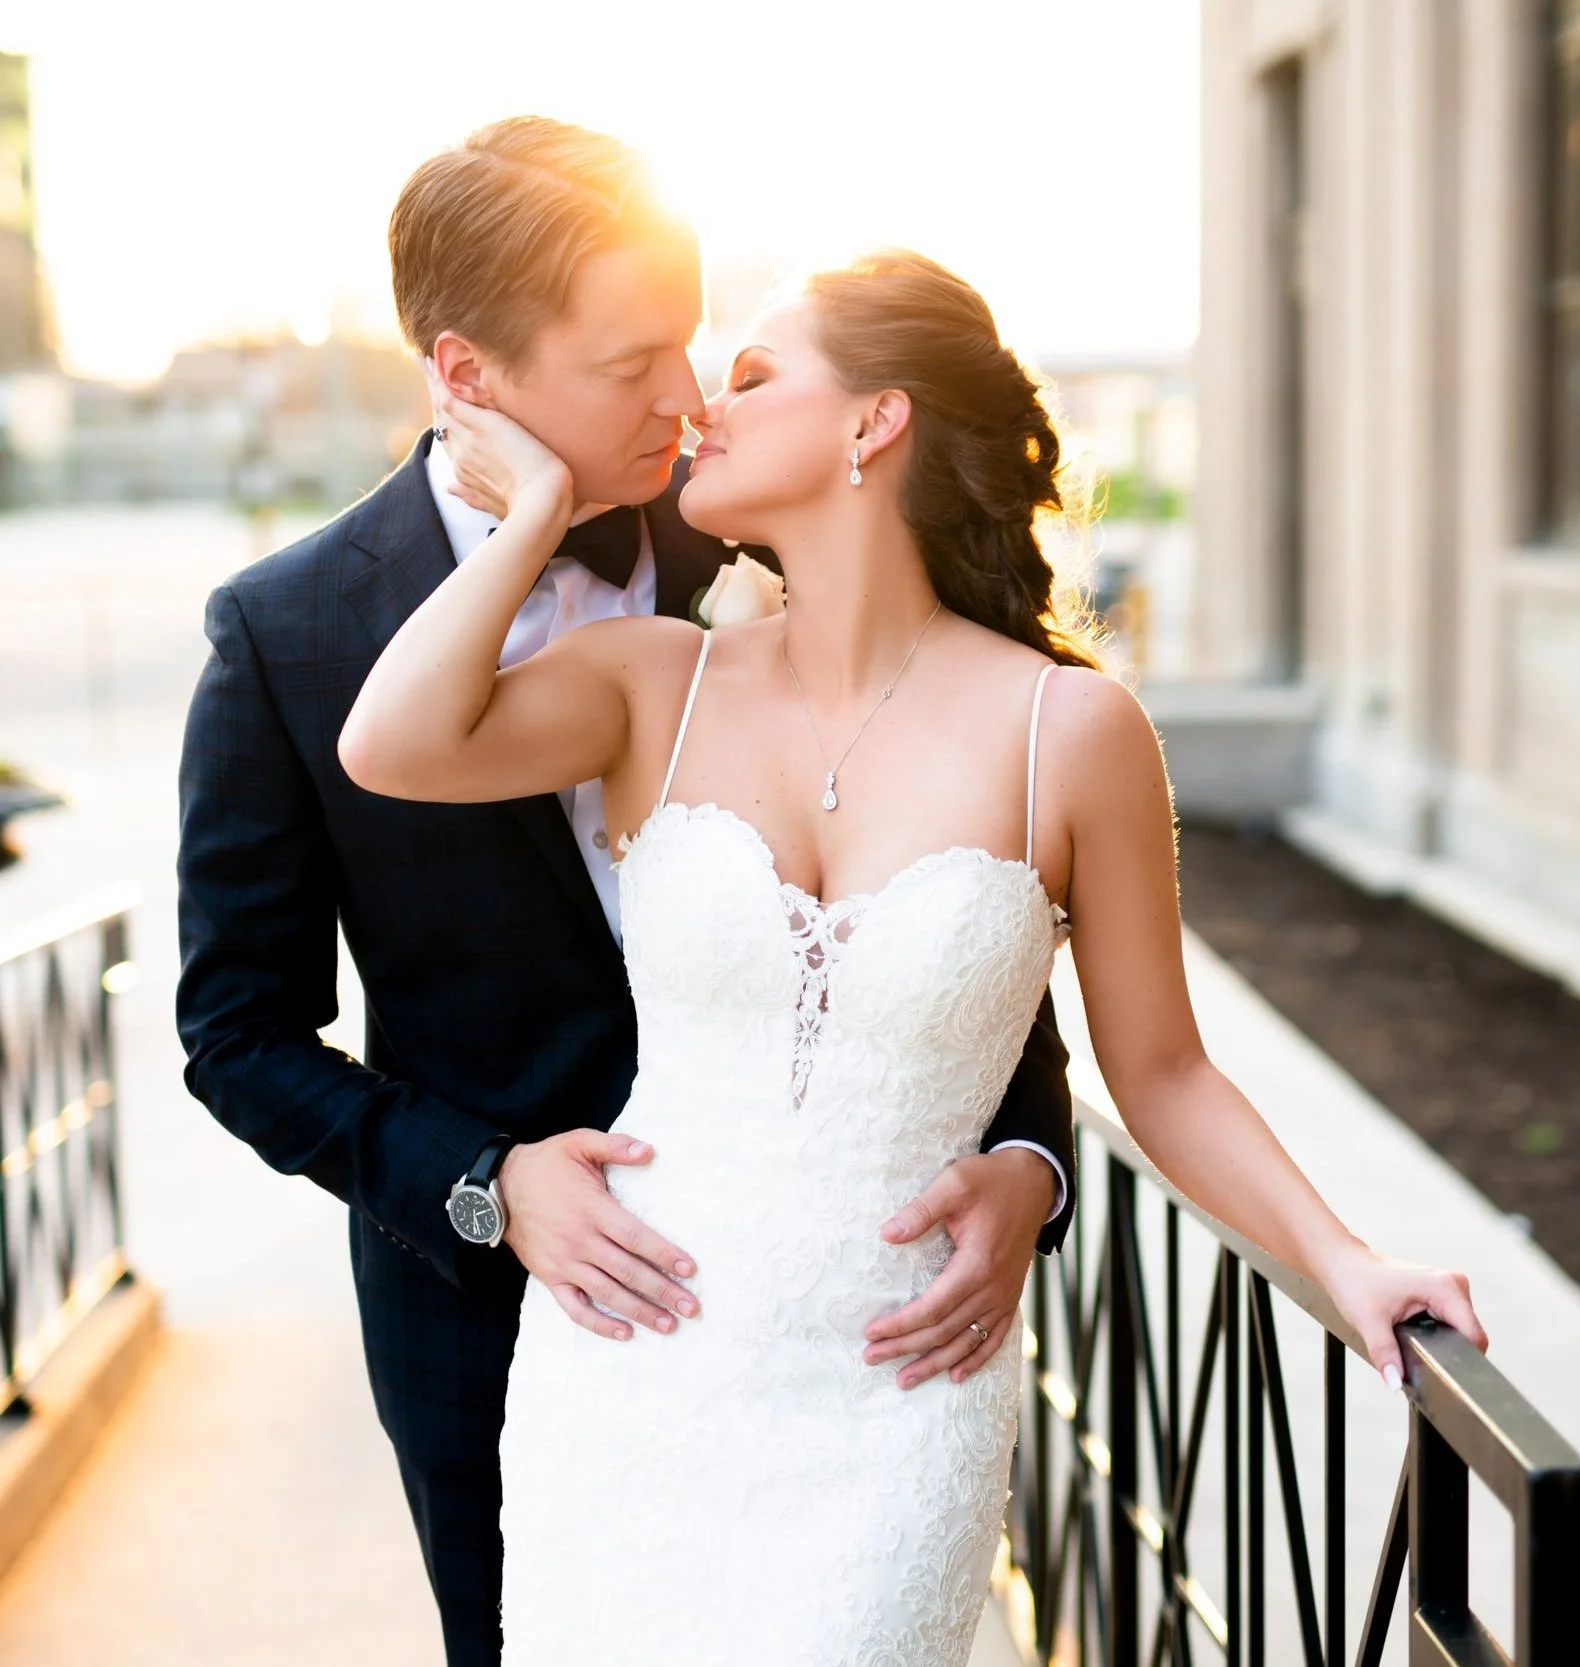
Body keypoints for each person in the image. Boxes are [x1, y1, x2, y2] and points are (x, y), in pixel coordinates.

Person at [338, 245, 1489, 1665]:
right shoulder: (652, 681)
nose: (702, 404)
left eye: (753, 377)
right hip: (631, 1379)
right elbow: (387, 744)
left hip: (894, 1402)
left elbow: (1165, 1070)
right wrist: (535, 515)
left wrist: (1346, 1260)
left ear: (872, 424)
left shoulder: (1067, 733)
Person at [176, 120, 1076, 1667]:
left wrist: (1028, 1159)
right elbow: (235, 1029)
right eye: (629, 361)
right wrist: (487, 1181)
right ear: (468, 374)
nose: (684, 394)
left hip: (845, 1326)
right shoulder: (287, 633)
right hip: (490, 1311)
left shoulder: (762, 522)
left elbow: (950, 895)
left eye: (691, 339)